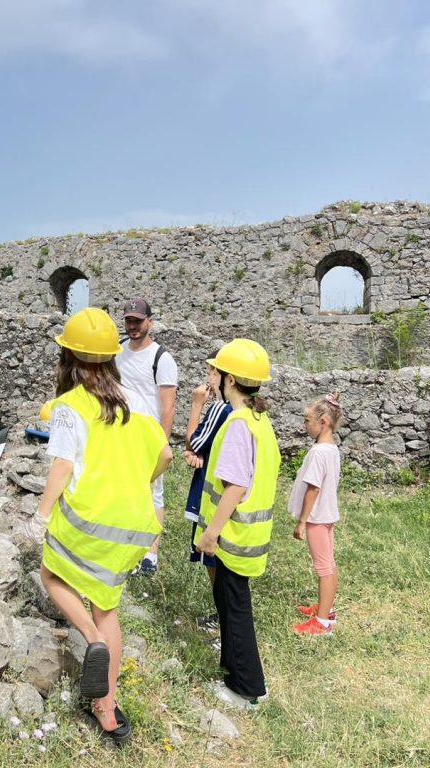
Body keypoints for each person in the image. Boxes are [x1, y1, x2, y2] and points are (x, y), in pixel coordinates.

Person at [36, 308, 172, 743]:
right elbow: (165, 456)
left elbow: (61, 466)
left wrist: (39, 515)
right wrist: (136, 481)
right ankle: (107, 710)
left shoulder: (68, 405)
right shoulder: (131, 402)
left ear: (68, 358)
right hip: (132, 525)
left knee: (51, 575)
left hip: (86, 519)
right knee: (107, 605)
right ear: (112, 357)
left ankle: (91, 639)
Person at [194, 339, 280, 711]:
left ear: (229, 378)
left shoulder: (237, 425)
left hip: (231, 536)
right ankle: (235, 673)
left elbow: (236, 486)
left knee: (235, 609)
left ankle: (247, 688)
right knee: (230, 606)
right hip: (250, 536)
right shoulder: (260, 421)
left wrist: (211, 532)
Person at [115, 298, 178, 575]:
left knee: (154, 494)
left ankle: (151, 554)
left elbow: (168, 406)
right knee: (123, 492)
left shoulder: (161, 359)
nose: (132, 326)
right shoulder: (116, 351)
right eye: (129, 320)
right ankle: (126, 548)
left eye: (138, 321)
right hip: (119, 433)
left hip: (148, 437)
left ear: (149, 321)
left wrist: (161, 442)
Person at [182, 355, 233, 635]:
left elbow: (194, 439)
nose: (208, 379)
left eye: (211, 373)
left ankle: (224, 619)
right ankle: (223, 614)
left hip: (209, 491)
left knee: (213, 560)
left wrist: (196, 405)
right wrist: (195, 453)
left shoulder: (218, 408)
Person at [289, 392, 343, 635]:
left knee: (323, 568)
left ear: (323, 422)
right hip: (328, 514)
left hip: (317, 518)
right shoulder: (331, 449)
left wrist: (302, 521)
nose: (305, 425)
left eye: (307, 420)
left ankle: (322, 622)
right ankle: (326, 608)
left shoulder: (318, 453)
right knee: (329, 564)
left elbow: (313, 487)